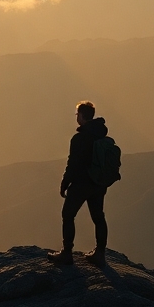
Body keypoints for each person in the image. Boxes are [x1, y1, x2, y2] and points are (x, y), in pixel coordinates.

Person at [55, 101, 108, 266]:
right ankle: (100, 253)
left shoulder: (79, 138)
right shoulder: (101, 135)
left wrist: (65, 183)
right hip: (98, 183)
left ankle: (66, 253)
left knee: (68, 215)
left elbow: (73, 163)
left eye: (77, 114)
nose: (76, 117)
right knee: (98, 217)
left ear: (83, 116)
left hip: (81, 183)